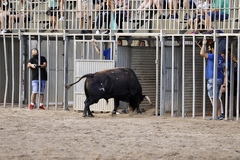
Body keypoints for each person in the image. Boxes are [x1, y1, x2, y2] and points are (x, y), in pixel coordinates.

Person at [200, 38, 226, 120]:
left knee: (213, 97)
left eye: (209, 48)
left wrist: (203, 44)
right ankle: (218, 115)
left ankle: (216, 114)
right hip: (219, 79)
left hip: (212, 79)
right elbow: (224, 67)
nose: (209, 49)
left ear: (213, 48)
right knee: (216, 97)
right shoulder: (220, 58)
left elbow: (202, 53)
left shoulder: (212, 56)